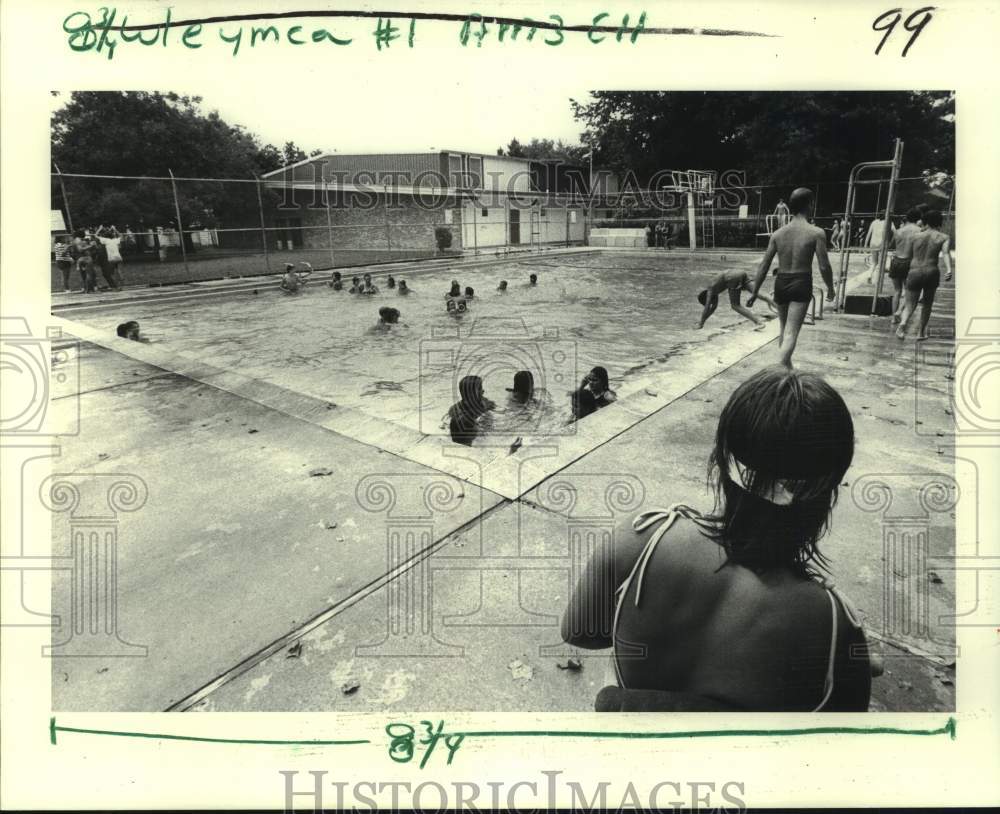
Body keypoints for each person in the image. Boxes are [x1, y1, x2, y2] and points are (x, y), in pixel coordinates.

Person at [562, 366, 875, 712]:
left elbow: (578, 631)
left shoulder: (642, 540)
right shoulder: (831, 624)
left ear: (720, 464)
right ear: (827, 495)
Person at [747, 188, 834, 369]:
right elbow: (824, 266)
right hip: (801, 282)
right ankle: (778, 369)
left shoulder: (778, 234)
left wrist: (755, 292)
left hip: (781, 282)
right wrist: (831, 289)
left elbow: (764, 265)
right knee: (791, 333)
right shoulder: (816, 232)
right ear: (810, 205)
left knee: (784, 329)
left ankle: (786, 369)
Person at [896, 208, 952, 342]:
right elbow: (945, 253)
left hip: (914, 271)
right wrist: (949, 269)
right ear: (939, 222)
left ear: (925, 221)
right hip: (931, 271)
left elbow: (908, 256)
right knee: (927, 304)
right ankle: (920, 333)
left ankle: (903, 324)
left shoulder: (915, 236)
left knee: (910, 304)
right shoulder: (943, 237)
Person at [698, 268, 775, 330]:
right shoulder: (714, 290)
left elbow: (707, 307)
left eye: (709, 301)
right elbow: (712, 309)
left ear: (705, 297)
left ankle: (758, 322)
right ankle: (780, 306)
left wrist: (700, 324)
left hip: (731, 277)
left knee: (735, 305)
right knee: (759, 294)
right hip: (740, 272)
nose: (712, 303)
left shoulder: (710, 290)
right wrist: (703, 321)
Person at [886, 208, 922, 321]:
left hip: (896, 261)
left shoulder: (899, 230)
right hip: (909, 262)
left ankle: (893, 317)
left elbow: (892, 244)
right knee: (909, 291)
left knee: (897, 291)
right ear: (918, 218)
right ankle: (900, 311)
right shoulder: (919, 231)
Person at [446, 375, 495, 446]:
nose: (483, 391)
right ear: (470, 395)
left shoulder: (486, 404)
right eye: (479, 389)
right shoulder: (455, 409)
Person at [864, 214, 887, 282]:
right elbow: (894, 232)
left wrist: (865, 244)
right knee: (880, 263)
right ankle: (877, 280)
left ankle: (869, 275)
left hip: (873, 242)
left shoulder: (874, 222)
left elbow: (869, 233)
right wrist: (890, 242)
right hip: (881, 243)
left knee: (874, 262)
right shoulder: (888, 222)